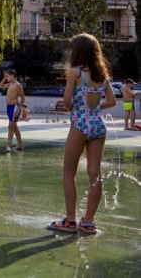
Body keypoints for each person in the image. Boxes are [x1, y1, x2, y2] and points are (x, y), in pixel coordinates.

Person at [48, 33, 116, 235]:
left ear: (78, 52)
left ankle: (70, 221)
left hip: (80, 124)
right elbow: (112, 102)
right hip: (98, 125)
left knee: (69, 171)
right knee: (95, 174)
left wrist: (78, 110)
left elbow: (67, 101)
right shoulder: (102, 74)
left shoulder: (74, 72)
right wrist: (94, 109)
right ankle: (88, 222)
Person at [0, 69, 26, 152]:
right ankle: (20, 144)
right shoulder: (10, 84)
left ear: (12, 76)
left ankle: (8, 146)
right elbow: (0, 86)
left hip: (14, 107)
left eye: (8, 76)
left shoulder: (17, 85)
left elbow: (23, 97)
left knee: (10, 126)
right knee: (14, 127)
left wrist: (18, 109)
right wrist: (4, 78)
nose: (6, 77)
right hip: (9, 107)